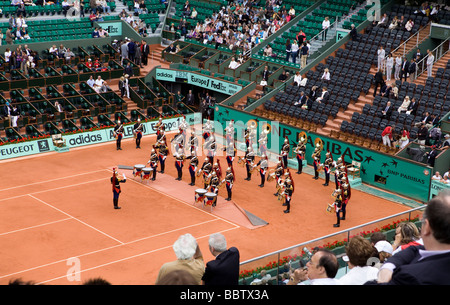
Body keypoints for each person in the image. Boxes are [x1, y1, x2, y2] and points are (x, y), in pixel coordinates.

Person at [373, 190, 450, 285]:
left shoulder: (410, 277)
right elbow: (415, 250)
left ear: (427, 227)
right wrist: (388, 266)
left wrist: (383, 275)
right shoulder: (422, 250)